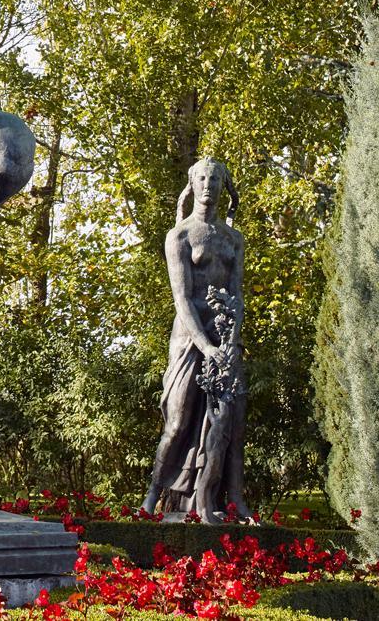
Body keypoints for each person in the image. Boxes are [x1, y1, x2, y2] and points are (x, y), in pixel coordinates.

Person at [142, 157, 249, 522]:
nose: (208, 184)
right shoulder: (180, 236)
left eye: (215, 178)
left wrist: (231, 342)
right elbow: (182, 297)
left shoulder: (234, 239)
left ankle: (230, 499)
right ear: (192, 183)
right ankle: (152, 496)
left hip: (225, 335)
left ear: (223, 185)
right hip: (190, 338)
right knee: (178, 419)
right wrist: (206, 346)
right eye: (202, 177)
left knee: (231, 423)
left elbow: (237, 294)